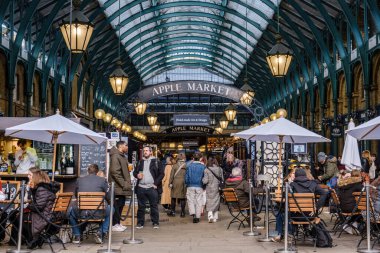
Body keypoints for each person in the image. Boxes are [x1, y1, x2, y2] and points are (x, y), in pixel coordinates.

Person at [10, 168, 59, 249]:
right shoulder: (44, 187)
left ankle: (30, 238)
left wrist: (28, 205)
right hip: (45, 215)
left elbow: (39, 207)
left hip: (41, 217)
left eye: (30, 175)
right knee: (14, 213)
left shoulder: (41, 189)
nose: (28, 176)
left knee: (13, 215)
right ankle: (27, 239)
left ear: (35, 177)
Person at [69, 164, 111, 244]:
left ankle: (77, 235)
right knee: (111, 209)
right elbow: (108, 196)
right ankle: (100, 232)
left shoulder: (79, 180)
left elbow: (76, 194)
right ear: (97, 171)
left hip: (82, 213)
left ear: (88, 171)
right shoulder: (102, 180)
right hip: (99, 213)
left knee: (70, 211)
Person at [133, 146, 164, 229]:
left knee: (153, 206)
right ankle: (140, 223)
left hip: (152, 187)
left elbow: (161, 174)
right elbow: (134, 172)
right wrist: (137, 175)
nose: (145, 152)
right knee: (141, 206)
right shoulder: (140, 162)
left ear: (151, 152)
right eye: (144, 151)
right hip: (141, 187)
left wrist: (156, 183)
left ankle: (155, 223)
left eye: (147, 151)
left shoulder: (156, 161)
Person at [108, 141, 131, 232]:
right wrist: (124, 184)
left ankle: (117, 223)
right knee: (117, 206)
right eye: (126, 145)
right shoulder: (115, 156)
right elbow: (115, 172)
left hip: (120, 187)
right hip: (117, 187)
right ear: (121, 146)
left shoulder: (121, 156)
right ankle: (114, 224)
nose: (127, 147)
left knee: (120, 204)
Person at [185, 151, 206, 223]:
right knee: (199, 201)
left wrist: (187, 183)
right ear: (200, 158)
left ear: (193, 158)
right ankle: (197, 217)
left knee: (190, 200)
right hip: (199, 185)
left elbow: (186, 177)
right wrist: (204, 186)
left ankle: (193, 213)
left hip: (190, 185)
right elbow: (204, 177)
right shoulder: (203, 167)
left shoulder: (189, 166)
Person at [202, 157, 223, 223]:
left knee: (209, 202)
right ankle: (215, 217)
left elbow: (205, 181)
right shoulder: (220, 169)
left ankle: (210, 215)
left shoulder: (206, 170)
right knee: (216, 202)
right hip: (217, 188)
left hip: (209, 188)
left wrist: (202, 180)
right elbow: (222, 179)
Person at [168, 153, 187, 217]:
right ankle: (182, 212)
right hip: (183, 183)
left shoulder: (175, 165)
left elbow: (171, 176)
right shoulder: (186, 165)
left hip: (175, 182)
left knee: (173, 197)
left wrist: (170, 183)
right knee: (183, 198)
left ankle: (173, 211)